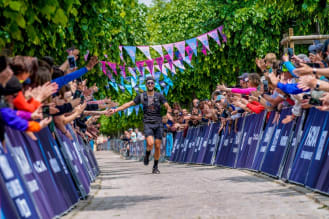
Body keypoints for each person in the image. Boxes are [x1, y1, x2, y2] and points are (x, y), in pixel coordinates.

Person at [109, 76, 172, 174]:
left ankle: (155, 167)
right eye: (148, 83)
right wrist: (115, 110)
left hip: (158, 123)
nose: (150, 84)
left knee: (158, 146)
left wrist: (168, 112)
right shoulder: (141, 96)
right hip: (147, 123)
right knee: (150, 143)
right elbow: (129, 104)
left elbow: (167, 106)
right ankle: (147, 154)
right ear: (146, 84)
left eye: (152, 83)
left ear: (154, 84)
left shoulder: (159, 96)